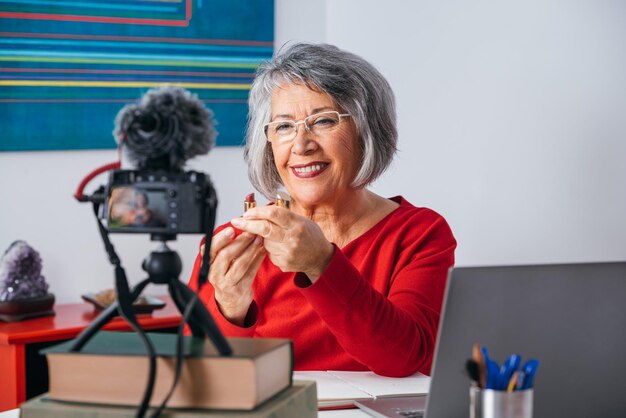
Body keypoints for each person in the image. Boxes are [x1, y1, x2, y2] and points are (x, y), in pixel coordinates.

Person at [187, 43, 456, 377]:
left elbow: (404, 359)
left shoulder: (418, 234)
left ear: (367, 130)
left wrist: (322, 265)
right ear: (268, 141)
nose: (301, 145)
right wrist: (228, 308)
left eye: (324, 121)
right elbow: (197, 378)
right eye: (284, 126)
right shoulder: (232, 246)